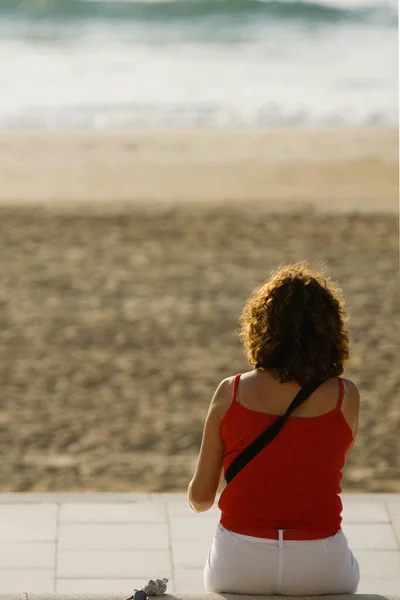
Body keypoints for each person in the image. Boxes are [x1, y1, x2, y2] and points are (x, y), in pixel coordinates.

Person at [188, 261, 360, 595]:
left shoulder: (231, 391)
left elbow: (201, 498)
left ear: (261, 328)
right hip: (321, 563)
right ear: (330, 330)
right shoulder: (345, 396)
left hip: (240, 563)